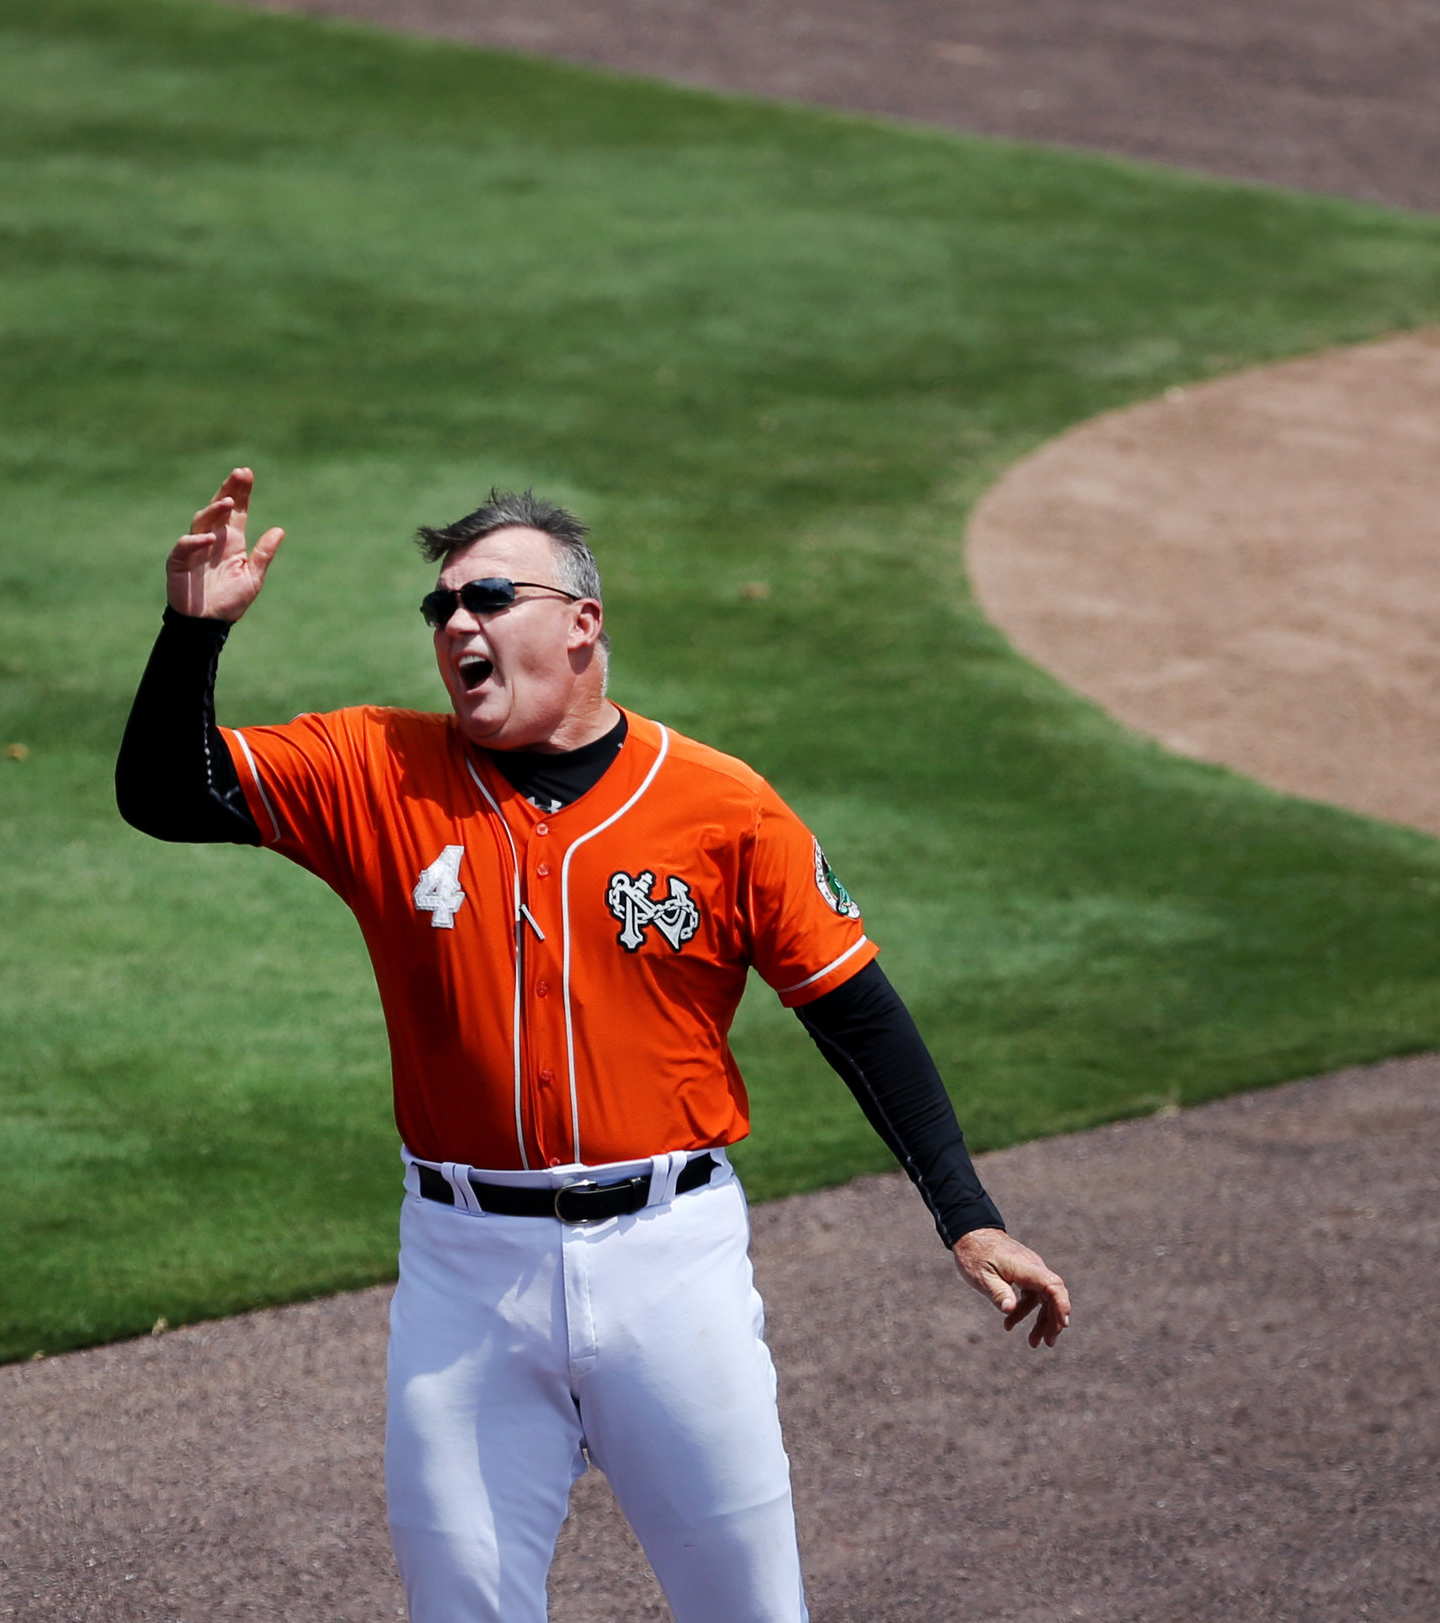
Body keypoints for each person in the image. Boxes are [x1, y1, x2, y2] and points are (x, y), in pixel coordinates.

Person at [116, 468, 1071, 1623]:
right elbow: (166, 792)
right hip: (463, 1274)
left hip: (669, 1262)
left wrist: (965, 1213)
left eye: (487, 597)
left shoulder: (723, 808)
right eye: (440, 610)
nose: (456, 624)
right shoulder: (376, 768)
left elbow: (855, 1014)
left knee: (748, 1609)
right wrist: (190, 634)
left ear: (581, 624)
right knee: (461, 1606)